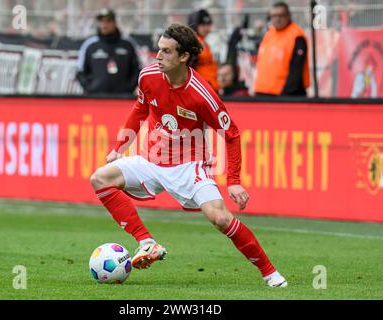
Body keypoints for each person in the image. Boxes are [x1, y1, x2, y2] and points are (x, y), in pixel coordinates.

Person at [90, 23, 287, 288]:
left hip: (188, 167)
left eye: (166, 52)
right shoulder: (148, 76)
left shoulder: (202, 95)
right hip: (150, 160)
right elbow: (140, 109)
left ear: (184, 57)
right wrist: (119, 147)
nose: (158, 56)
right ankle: (147, 243)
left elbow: (232, 134)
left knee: (220, 218)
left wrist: (235, 180)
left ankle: (270, 273)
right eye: (158, 50)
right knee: (100, 179)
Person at [76, 8, 140, 94]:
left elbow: (137, 70)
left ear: (115, 22)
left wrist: (128, 89)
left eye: (108, 21)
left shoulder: (128, 44)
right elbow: (80, 71)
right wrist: (91, 89)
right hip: (96, 99)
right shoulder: (90, 45)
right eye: (101, 21)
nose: (104, 25)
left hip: (122, 99)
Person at [254, 2, 310, 96]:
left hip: (284, 95)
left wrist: (284, 96)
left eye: (281, 15)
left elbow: (296, 71)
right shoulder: (270, 33)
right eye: (274, 16)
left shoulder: (296, 36)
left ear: (288, 16)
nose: (277, 19)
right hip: (263, 92)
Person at [187, 9, 220, 92]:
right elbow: (189, 69)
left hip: (209, 88)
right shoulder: (193, 43)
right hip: (201, 90)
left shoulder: (203, 42)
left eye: (208, 25)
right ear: (195, 25)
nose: (207, 28)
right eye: (203, 25)